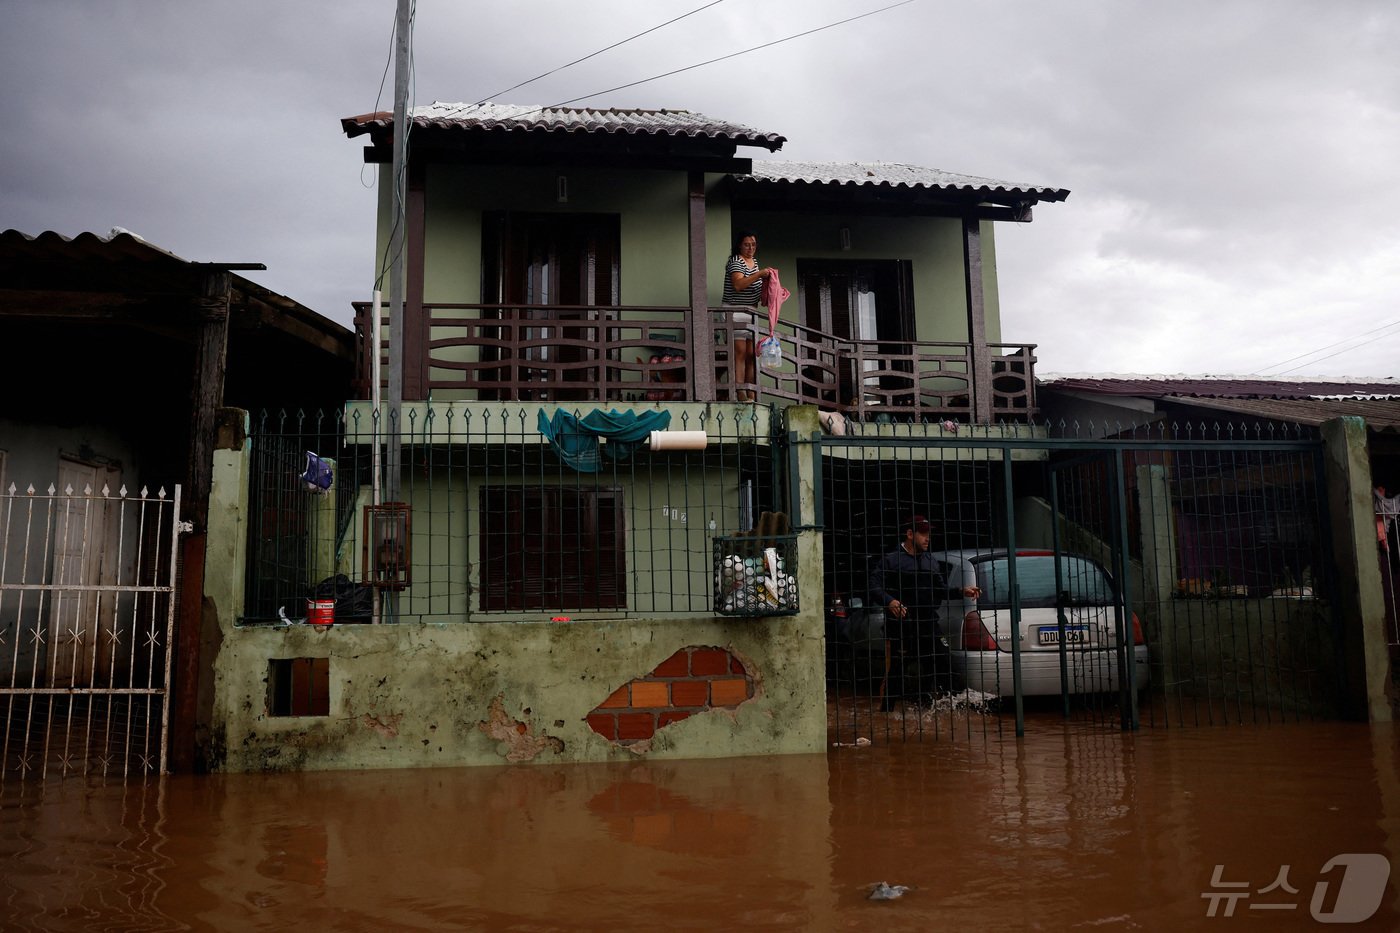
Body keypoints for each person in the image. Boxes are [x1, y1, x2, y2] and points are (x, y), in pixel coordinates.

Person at [868, 515, 980, 705]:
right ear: (910, 534)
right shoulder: (891, 560)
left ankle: (947, 708)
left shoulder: (931, 561)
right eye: (923, 534)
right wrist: (890, 601)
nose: (927, 538)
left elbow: (940, 590)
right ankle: (887, 714)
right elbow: (874, 586)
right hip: (902, 627)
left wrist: (962, 591)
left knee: (943, 662)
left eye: (929, 534)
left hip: (929, 624)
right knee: (897, 672)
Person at [721, 231, 776, 402]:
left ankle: (752, 392)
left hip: (751, 312)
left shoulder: (755, 262)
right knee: (740, 352)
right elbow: (738, 284)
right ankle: (740, 392)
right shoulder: (736, 261)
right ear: (739, 245)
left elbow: (755, 288)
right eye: (746, 244)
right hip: (735, 311)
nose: (751, 247)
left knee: (753, 354)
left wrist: (772, 290)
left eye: (753, 244)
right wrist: (759, 275)